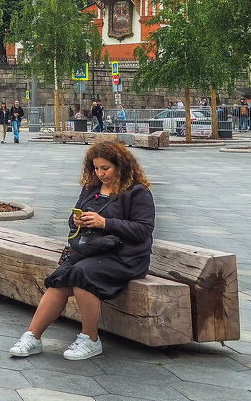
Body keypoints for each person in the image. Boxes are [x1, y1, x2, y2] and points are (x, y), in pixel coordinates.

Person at [8, 140, 155, 361]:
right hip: (92, 251)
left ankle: (91, 339)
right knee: (60, 279)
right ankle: (33, 336)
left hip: (126, 256)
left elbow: (144, 229)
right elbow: (72, 219)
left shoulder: (137, 191)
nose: (100, 173)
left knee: (82, 274)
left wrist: (104, 223)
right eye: (96, 168)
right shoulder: (91, 188)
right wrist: (77, 220)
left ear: (121, 165)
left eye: (106, 168)